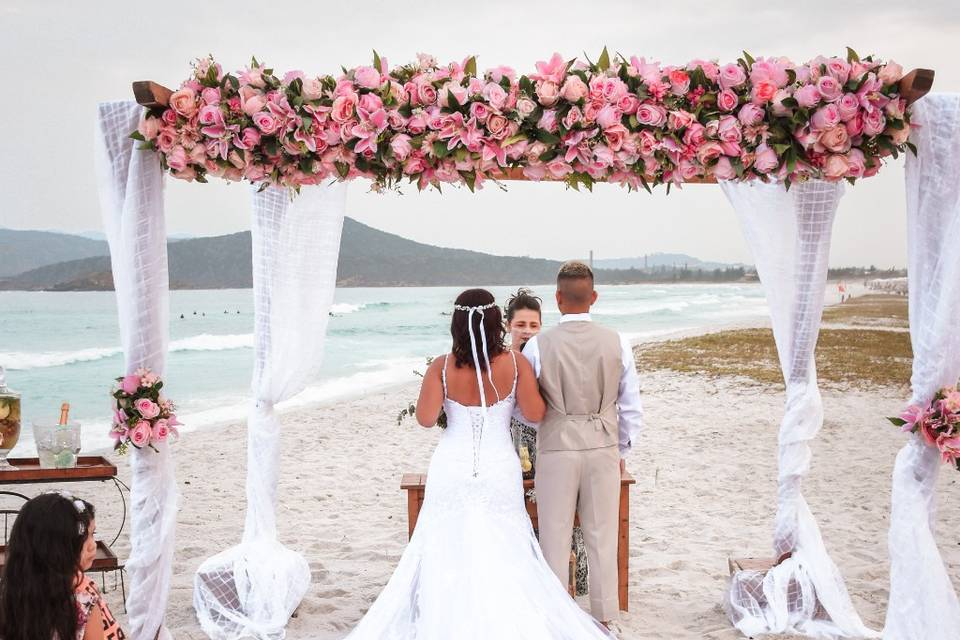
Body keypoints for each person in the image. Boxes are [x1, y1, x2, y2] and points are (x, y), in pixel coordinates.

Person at [345, 289, 614, 639]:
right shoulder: (516, 364)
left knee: (446, 542)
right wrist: (511, 404)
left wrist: (450, 400)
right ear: (496, 324)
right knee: (505, 542)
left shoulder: (441, 366)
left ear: (457, 324)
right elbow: (536, 415)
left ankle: (447, 618)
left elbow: (425, 419)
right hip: (498, 466)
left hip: (452, 466)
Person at [521, 261, 643, 627]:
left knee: (554, 537)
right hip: (602, 446)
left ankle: (557, 618)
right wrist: (621, 450)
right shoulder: (617, 341)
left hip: (557, 447)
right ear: (593, 297)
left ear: (557, 298)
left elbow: (527, 411)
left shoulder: (537, 346)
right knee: (602, 535)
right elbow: (632, 407)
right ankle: (604, 619)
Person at [505, 288, 591, 597]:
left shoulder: (551, 354)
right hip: (510, 440)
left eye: (533, 325)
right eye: (520, 325)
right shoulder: (500, 361)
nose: (526, 331)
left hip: (551, 439)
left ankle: (570, 580)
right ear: (507, 326)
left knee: (562, 506)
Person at [0, 492, 126, 640]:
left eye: (93, 534)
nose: (93, 545)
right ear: (58, 549)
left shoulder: (12, 592)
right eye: (85, 537)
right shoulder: (83, 598)